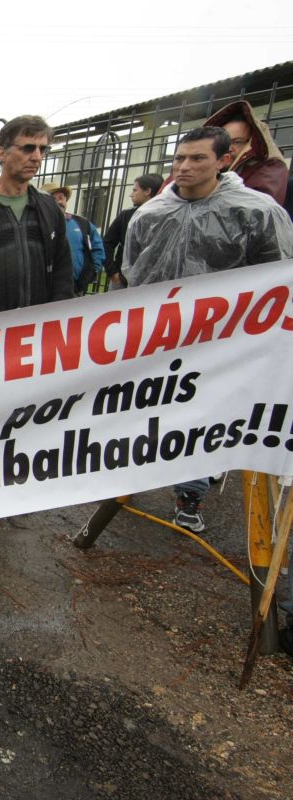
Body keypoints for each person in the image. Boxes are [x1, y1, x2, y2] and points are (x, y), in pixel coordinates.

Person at [124, 126, 293, 533]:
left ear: (223, 160)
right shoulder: (150, 215)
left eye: (197, 158)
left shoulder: (256, 212)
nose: (184, 167)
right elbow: (133, 274)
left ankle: (190, 494)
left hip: (225, 345)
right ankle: (127, 476)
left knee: (204, 420)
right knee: (148, 413)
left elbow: (279, 280)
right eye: (179, 158)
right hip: (158, 337)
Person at [0, 114, 74, 316]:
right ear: (2, 153)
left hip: (36, 330)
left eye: (43, 149)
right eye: (28, 148)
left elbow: (62, 271)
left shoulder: (48, 207)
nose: (36, 156)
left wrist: (58, 317)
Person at [203, 100, 289, 204]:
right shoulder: (215, 167)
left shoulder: (268, 169)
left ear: (252, 144)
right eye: (224, 141)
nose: (229, 147)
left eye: (237, 142)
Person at [100, 173, 161, 290]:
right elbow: (106, 243)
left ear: (147, 191)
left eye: (135, 190)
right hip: (122, 281)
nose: (130, 194)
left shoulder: (164, 217)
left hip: (153, 283)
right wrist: (113, 272)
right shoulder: (126, 216)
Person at [45, 184, 105, 294]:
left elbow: (98, 248)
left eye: (61, 198)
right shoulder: (37, 223)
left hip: (76, 287)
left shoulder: (82, 223)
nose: (59, 202)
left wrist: (91, 272)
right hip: (44, 287)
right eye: (53, 199)